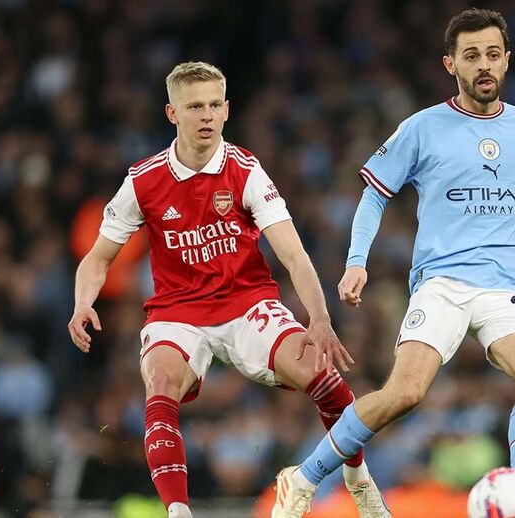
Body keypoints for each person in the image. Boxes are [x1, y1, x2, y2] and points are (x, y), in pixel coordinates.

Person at [272, 8, 515, 516]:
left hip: (506, 287)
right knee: (405, 392)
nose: (483, 64)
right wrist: (357, 261)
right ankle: (303, 476)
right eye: (471, 56)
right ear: (451, 64)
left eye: (492, 54)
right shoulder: (422, 128)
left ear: (506, 61)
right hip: (442, 282)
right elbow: (374, 194)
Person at [67, 62, 390, 518]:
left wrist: (319, 319)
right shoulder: (143, 181)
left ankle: (358, 477)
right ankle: (178, 512)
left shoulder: (246, 171)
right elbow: (97, 259)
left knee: (323, 375)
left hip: (247, 304)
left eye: (214, 105)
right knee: (160, 383)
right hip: (178, 312)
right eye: (194, 106)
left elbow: (294, 255)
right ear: (172, 113)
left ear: (226, 110)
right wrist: (83, 303)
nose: (206, 115)